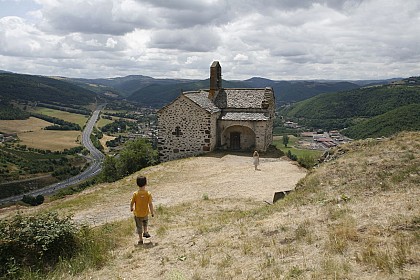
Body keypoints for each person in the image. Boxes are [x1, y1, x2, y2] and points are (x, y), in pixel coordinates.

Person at [130, 175, 155, 245]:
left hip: (137, 214)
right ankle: (145, 231)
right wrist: (152, 212)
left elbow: (132, 202)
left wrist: (131, 208)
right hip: (145, 213)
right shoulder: (148, 194)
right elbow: (150, 204)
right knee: (145, 222)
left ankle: (140, 239)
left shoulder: (135, 194)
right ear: (146, 183)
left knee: (139, 226)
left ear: (137, 184)